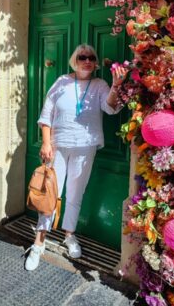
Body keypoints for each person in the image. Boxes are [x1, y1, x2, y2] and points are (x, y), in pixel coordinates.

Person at [25, 44, 127, 271]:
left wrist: (116, 86)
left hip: (86, 146)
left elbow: (110, 108)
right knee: (49, 193)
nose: (87, 60)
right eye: (82, 57)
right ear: (75, 60)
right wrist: (45, 142)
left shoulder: (100, 84)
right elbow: (46, 112)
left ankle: (69, 235)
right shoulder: (61, 81)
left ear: (96, 61)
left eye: (91, 57)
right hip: (58, 145)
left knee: (75, 193)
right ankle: (38, 242)